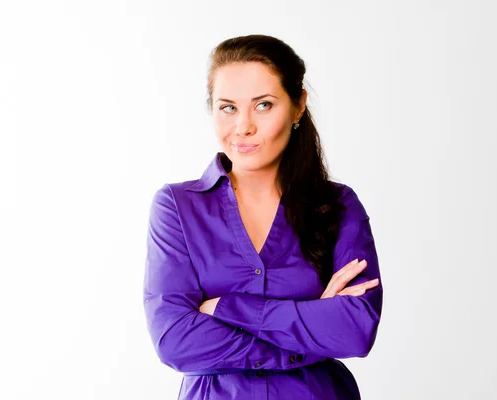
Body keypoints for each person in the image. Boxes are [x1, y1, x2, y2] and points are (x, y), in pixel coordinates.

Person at [143, 34, 383, 400]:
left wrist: (227, 307)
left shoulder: (338, 205)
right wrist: (309, 322)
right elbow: (174, 342)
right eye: (228, 107)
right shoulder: (177, 208)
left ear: (298, 106)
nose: (243, 127)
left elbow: (354, 331)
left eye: (264, 105)